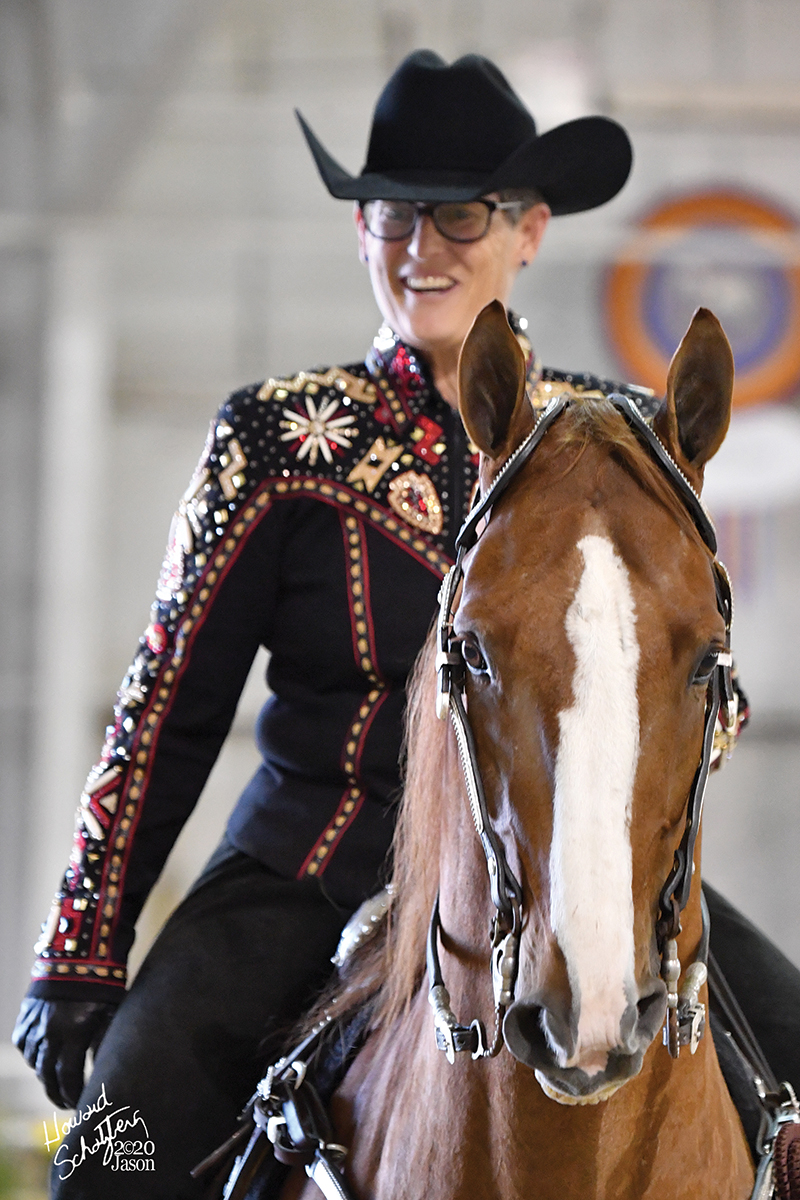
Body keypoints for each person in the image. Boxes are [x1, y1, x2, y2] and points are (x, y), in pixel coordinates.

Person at [12, 49, 800, 1200]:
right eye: (392, 214)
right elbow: (165, 704)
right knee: (109, 1152)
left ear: (527, 231)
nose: (421, 247)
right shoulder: (279, 439)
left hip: (566, 862)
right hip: (310, 867)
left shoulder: (612, 444)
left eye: (459, 214)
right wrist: (82, 942)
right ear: (361, 230)